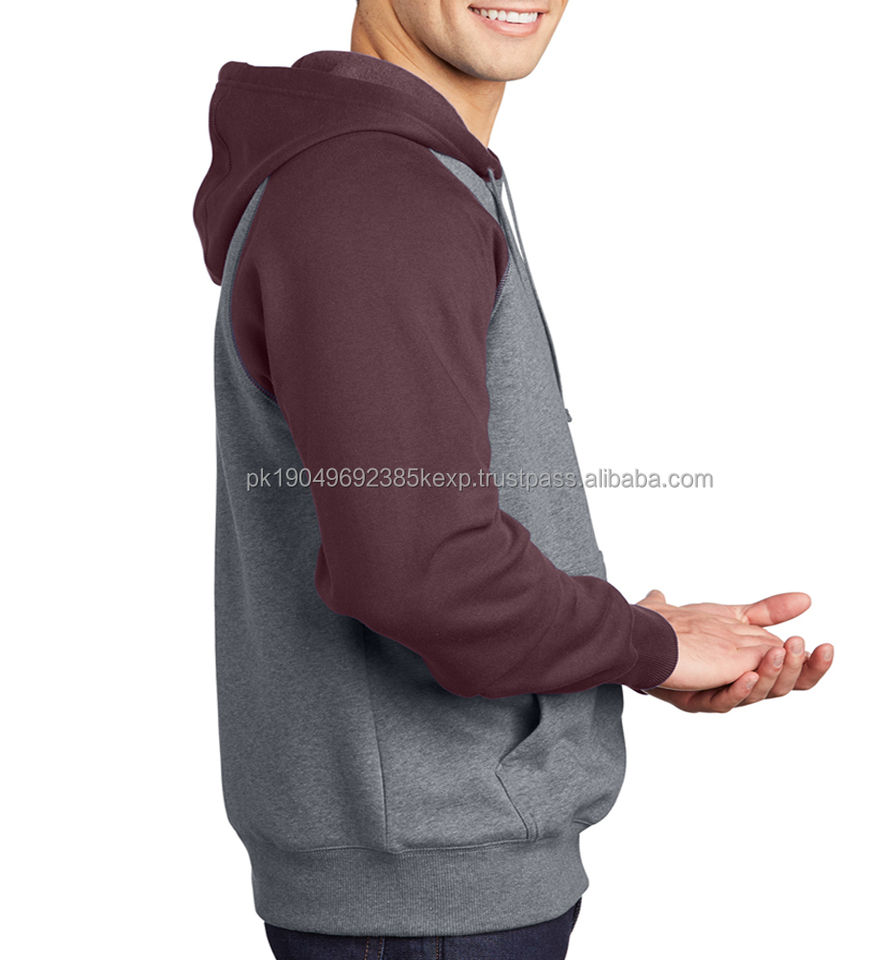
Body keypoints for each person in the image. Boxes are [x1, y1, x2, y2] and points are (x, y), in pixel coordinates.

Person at [192, 2, 834, 957]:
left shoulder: (412, 173)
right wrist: (648, 644)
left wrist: (616, 646)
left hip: (433, 874)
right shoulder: (374, 191)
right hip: (430, 898)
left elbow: (421, 537)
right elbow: (427, 571)